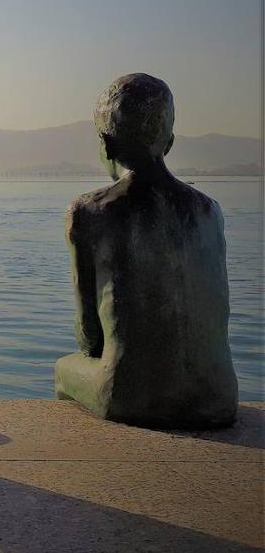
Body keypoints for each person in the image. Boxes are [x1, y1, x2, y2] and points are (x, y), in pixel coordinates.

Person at [55, 73, 237, 426]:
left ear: (105, 145)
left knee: (64, 368)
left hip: (131, 398)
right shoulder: (209, 210)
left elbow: (90, 337)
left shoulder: (90, 211)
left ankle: (86, 462)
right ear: (169, 141)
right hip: (218, 398)